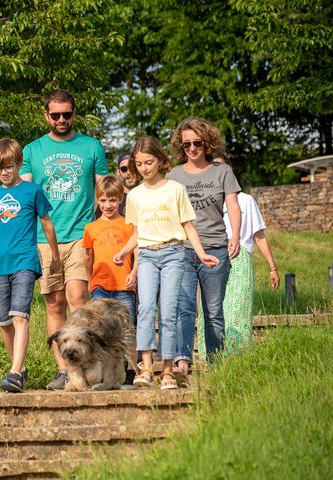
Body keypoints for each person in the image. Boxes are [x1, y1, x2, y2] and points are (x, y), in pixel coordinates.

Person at [20, 89, 109, 390]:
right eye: (55, 115)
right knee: (55, 304)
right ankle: (64, 371)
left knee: (78, 301)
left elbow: (104, 190)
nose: (61, 119)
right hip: (45, 239)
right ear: (46, 115)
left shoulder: (91, 146)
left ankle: (86, 364)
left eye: (66, 114)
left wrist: (101, 226)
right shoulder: (32, 151)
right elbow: (25, 194)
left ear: (74, 114)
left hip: (80, 236)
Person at [113, 136, 219, 390]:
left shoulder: (175, 189)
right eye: (138, 164)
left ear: (161, 161)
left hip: (174, 253)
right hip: (148, 255)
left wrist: (201, 253)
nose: (144, 169)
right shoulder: (135, 196)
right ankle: (147, 368)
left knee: (168, 310)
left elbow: (187, 226)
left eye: (148, 162)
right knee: (146, 308)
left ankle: (168, 371)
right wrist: (123, 251)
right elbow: (137, 234)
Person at [0, 138, 61, 393]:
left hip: (25, 261)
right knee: (4, 322)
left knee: (20, 315)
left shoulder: (32, 191)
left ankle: (13, 373)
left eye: (8, 166)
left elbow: (47, 223)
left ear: (19, 163)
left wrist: (54, 256)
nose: (4, 173)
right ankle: (19, 369)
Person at [166, 117, 241, 384]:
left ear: (207, 142)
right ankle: (182, 362)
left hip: (215, 247)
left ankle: (216, 363)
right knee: (183, 307)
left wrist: (235, 236)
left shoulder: (222, 172)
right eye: (187, 144)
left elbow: (233, 206)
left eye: (197, 143)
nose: (192, 149)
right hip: (182, 250)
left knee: (213, 311)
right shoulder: (174, 175)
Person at [196, 157, 280, 357]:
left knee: (237, 311)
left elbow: (258, 236)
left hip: (239, 260)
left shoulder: (246, 201)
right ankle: (211, 357)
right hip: (211, 259)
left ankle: (238, 358)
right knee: (211, 310)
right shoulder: (202, 199)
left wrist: (272, 267)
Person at [83, 174, 138, 384]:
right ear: (97, 200)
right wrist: (90, 280)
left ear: (120, 200)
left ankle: (130, 368)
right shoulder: (91, 227)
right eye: (104, 200)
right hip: (100, 287)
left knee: (127, 328)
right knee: (100, 330)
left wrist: (134, 273)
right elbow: (88, 257)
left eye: (112, 200)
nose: (108, 205)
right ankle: (103, 369)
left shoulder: (128, 225)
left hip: (124, 285)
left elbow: (137, 252)